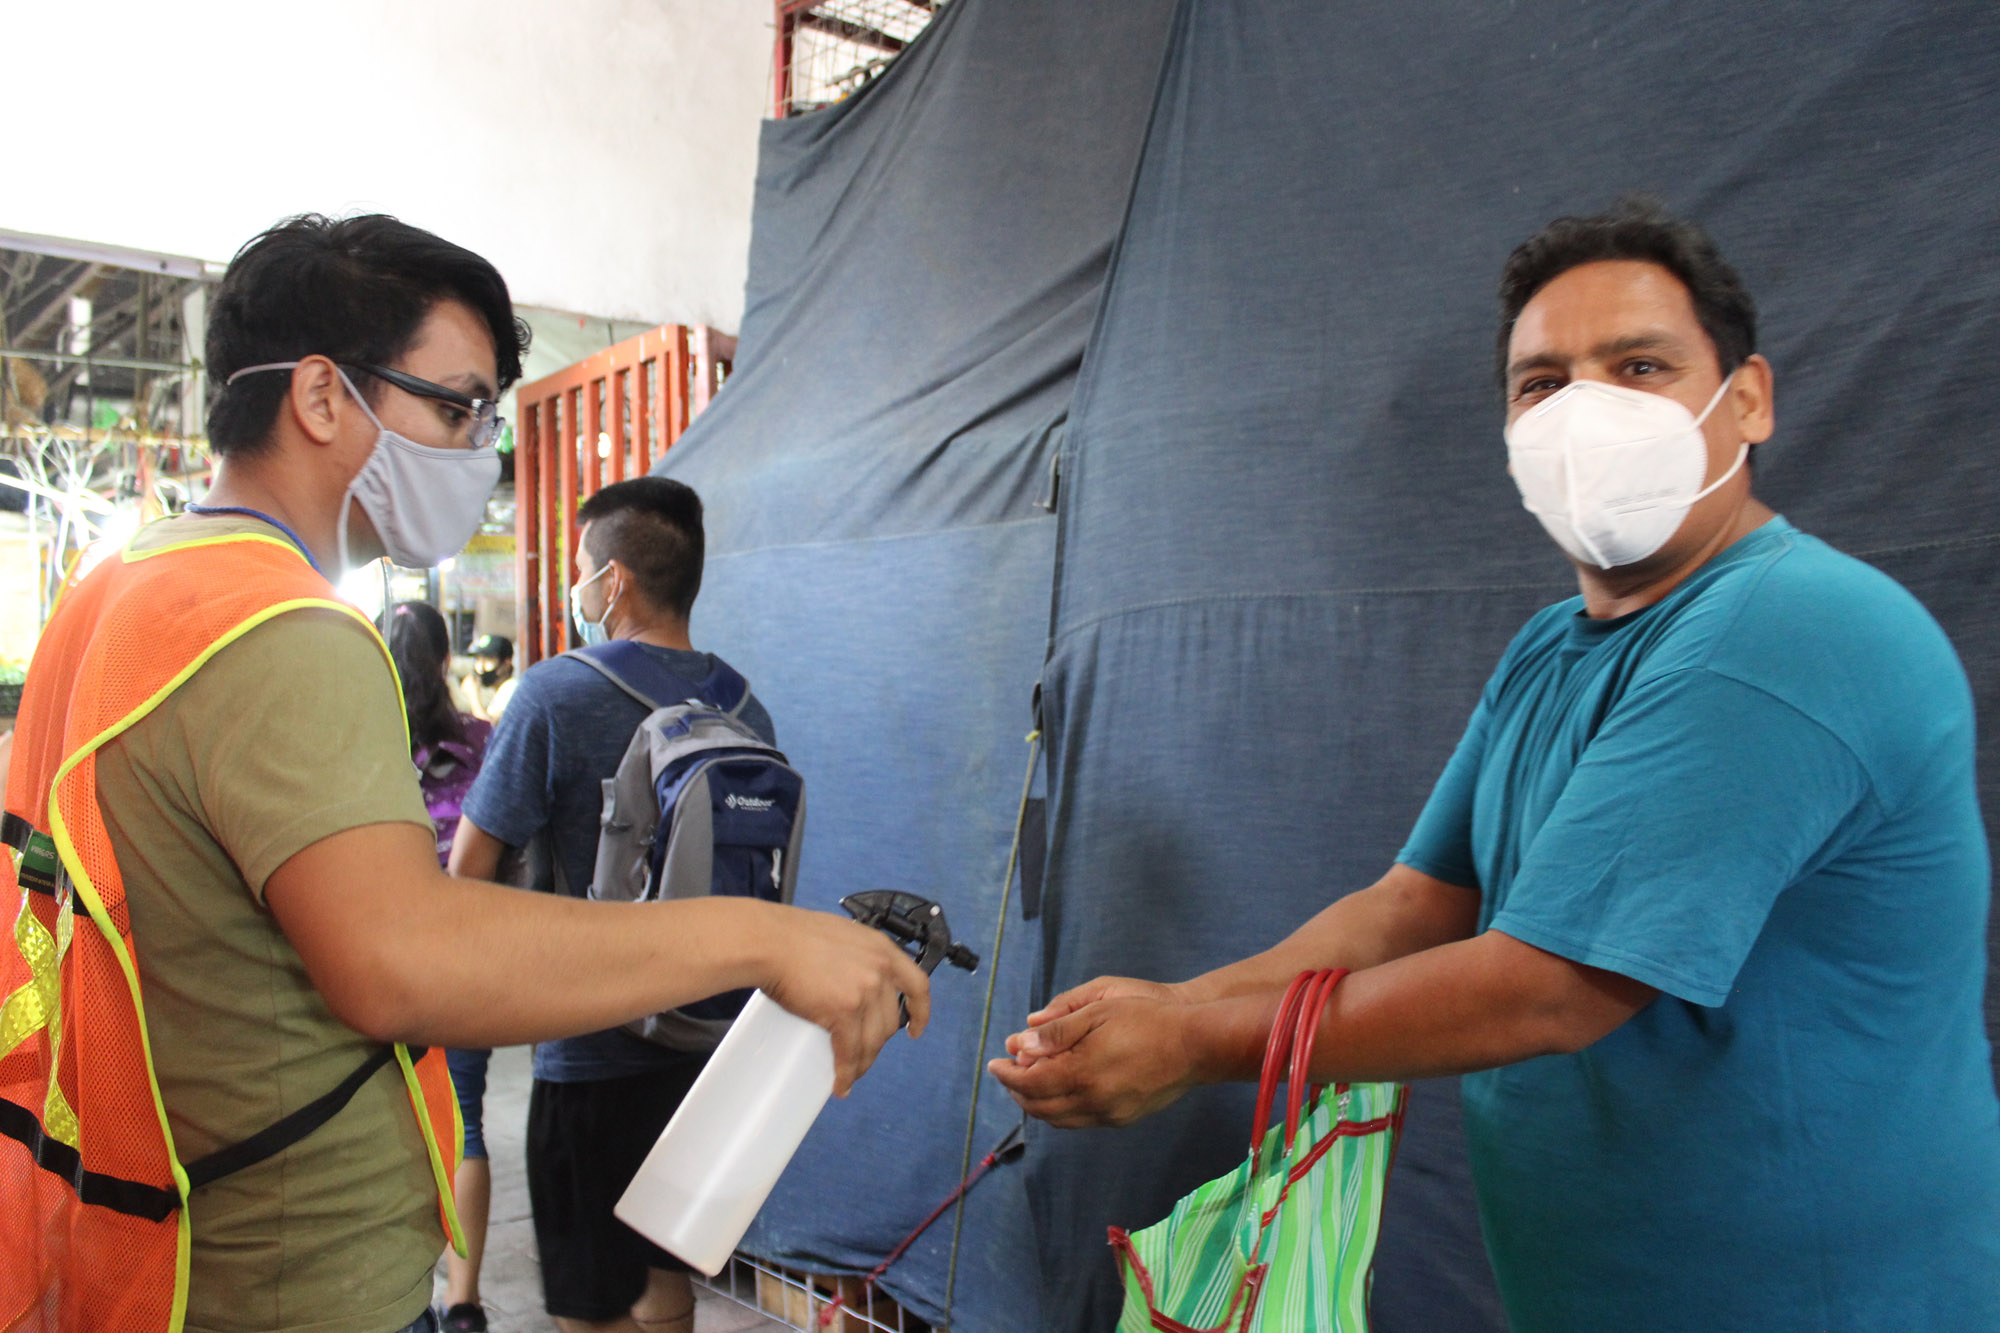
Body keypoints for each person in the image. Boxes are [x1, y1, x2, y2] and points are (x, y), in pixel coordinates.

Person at [990, 199, 2000, 1330]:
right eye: (1541, 384)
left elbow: (1552, 985)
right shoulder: (1549, 649)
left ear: (1747, 398)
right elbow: (1415, 902)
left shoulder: (1791, 630)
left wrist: (1192, 1042)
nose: (1584, 412)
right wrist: (1177, 1002)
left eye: (1637, 365)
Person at [0, 214, 928, 1333]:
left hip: (132, 1227)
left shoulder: (121, 589)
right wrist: (767, 935)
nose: (479, 445)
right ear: (322, 397)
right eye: (455, 405)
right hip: (280, 1278)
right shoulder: (283, 627)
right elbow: (405, 956)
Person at [448, 476, 770, 1333]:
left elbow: (470, 867)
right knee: (668, 1286)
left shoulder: (556, 694)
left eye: (582, 569)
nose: (577, 588)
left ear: (615, 581)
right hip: (705, 1050)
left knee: (589, 1307)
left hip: (588, 1054)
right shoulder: (746, 710)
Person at [387, 600, 497, 1333]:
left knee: (388, 1120)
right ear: (443, 660)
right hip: (468, 956)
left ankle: (403, 1294)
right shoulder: (483, 739)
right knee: (467, 1124)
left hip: (379, 956)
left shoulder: (363, 738)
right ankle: (464, 1301)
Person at [460, 633, 516, 722]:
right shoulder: (499, 691)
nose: (481, 668)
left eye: (488, 660)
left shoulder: (511, 687)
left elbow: (490, 727)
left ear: (506, 663)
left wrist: (473, 696)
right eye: (478, 660)